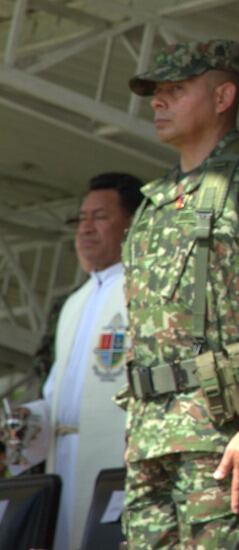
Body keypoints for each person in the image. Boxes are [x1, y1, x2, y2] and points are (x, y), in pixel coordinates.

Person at [120, 40, 239, 547]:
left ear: (223, 96)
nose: (158, 102)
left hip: (221, 438)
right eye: (155, 93)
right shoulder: (156, 200)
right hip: (150, 439)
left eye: (175, 90)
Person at [10, 174, 141, 550]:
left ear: (132, 223)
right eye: (80, 218)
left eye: (99, 217)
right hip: (63, 462)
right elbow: (58, 398)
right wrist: (24, 422)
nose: (85, 228)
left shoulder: (141, 290)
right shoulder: (73, 303)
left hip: (115, 460)